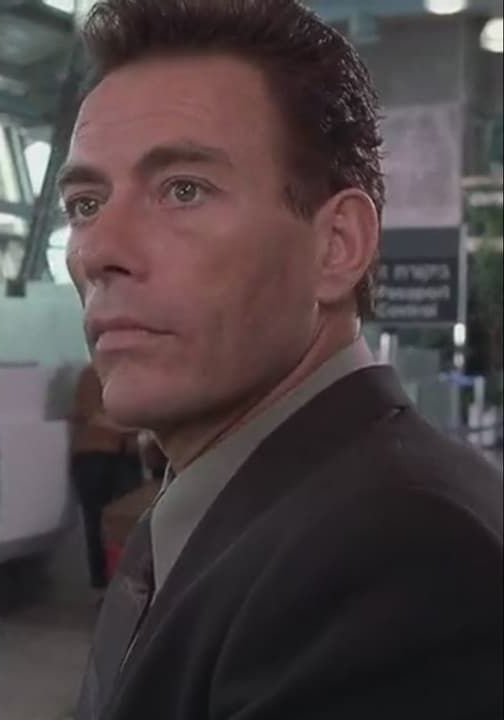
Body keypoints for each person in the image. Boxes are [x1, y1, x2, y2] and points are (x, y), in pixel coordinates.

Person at [57, 1, 502, 718]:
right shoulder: (245, 504)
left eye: (183, 190)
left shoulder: (400, 557)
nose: (99, 251)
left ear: (336, 247)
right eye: (85, 203)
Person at [68, 363, 141, 598]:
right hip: (95, 455)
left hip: (126, 455)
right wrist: (133, 426)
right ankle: (102, 587)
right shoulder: (93, 374)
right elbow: (93, 416)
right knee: (97, 521)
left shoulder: (135, 375)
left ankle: (128, 584)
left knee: (129, 520)